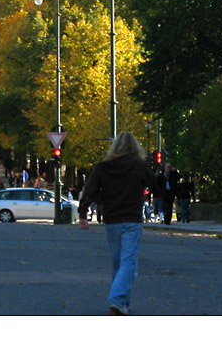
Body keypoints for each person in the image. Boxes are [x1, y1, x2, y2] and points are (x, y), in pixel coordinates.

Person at [77, 131, 155, 316]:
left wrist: (83, 213)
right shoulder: (139, 165)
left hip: (112, 219)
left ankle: (122, 303)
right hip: (132, 218)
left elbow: (90, 190)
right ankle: (118, 299)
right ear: (135, 146)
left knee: (118, 262)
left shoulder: (103, 166)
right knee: (128, 261)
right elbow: (155, 184)